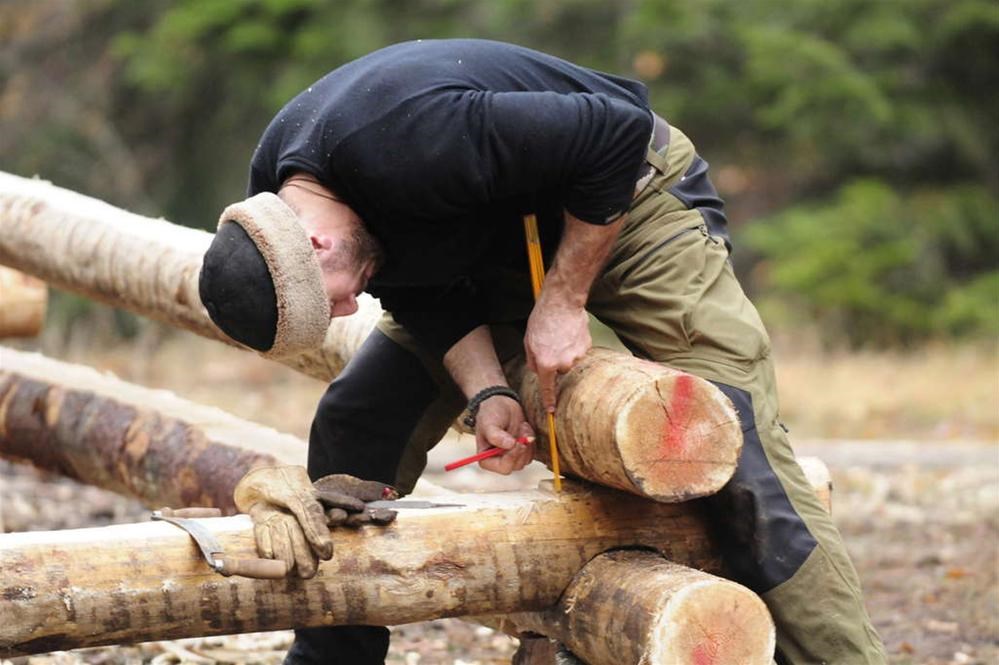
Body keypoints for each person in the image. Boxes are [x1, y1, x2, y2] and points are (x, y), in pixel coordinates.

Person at [198, 39, 886, 665]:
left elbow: (613, 135)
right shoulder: (276, 204)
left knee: (732, 444)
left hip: (628, 199)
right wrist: (488, 391)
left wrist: (561, 301)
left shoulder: (412, 139)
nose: (352, 309)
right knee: (356, 420)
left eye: (335, 301)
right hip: (491, 246)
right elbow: (421, 292)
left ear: (317, 245)